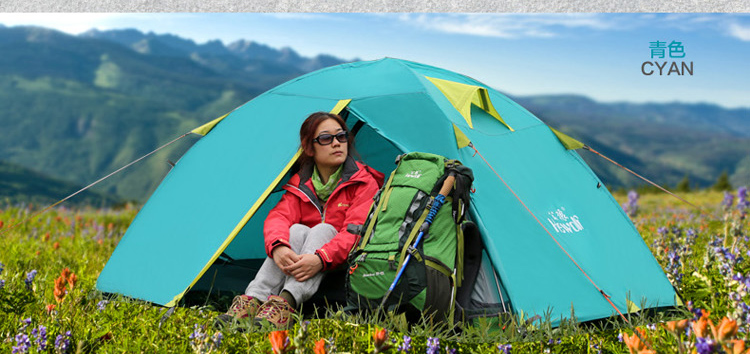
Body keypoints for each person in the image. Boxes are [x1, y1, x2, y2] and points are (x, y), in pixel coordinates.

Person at [216, 111, 383, 329]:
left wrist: (320, 259)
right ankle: (254, 299)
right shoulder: (300, 184)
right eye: (326, 138)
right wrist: (278, 248)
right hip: (304, 263)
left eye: (341, 136)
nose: (336, 143)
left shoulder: (364, 183)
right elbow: (278, 217)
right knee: (294, 231)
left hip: (344, 264)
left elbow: (355, 233)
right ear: (309, 148)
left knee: (323, 229)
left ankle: (286, 303)